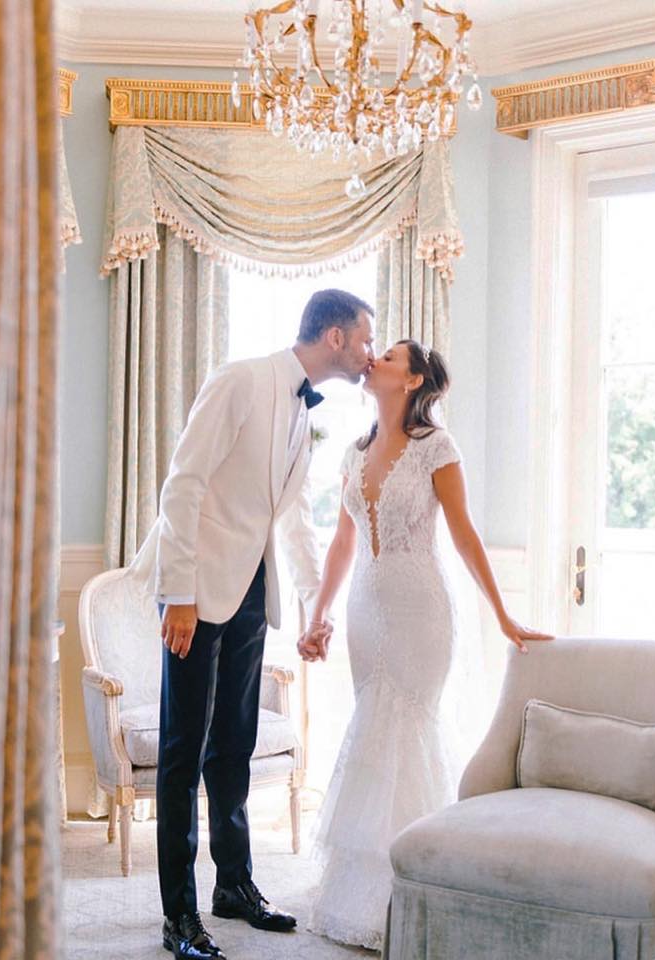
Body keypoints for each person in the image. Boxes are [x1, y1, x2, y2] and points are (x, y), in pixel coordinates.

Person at [128, 289, 374, 960]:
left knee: (232, 745)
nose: (369, 353)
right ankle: (179, 916)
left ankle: (234, 885)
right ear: (334, 337)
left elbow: (289, 520)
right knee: (183, 752)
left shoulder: (303, 415)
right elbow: (183, 484)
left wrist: (312, 609)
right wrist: (179, 593)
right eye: (364, 340)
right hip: (196, 593)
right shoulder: (239, 380)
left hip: (249, 598)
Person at [299, 339, 553, 951]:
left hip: (422, 613)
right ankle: (361, 894)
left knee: (408, 731)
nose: (375, 361)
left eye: (389, 357)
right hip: (366, 611)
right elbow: (342, 543)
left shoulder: (437, 447)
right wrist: (318, 613)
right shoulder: (355, 451)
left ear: (412, 381)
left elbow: (464, 535)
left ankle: (423, 888)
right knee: (371, 733)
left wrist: (503, 615)